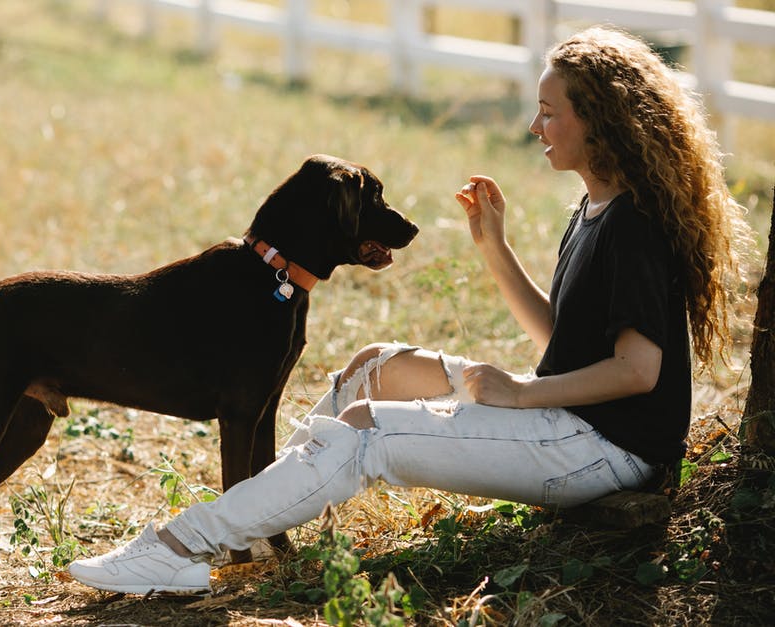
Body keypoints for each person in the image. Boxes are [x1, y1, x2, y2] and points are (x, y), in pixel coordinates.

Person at [67, 26, 752, 595]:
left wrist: (518, 392)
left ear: (599, 120)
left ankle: (183, 542)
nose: (534, 125)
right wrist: (495, 249)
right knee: (376, 368)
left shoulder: (633, 224)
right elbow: (567, 338)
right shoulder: (596, 206)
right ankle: (263, 520)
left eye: (550, 111)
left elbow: (637, 371)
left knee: (369, 429)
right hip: (569, 419)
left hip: (604, 449)